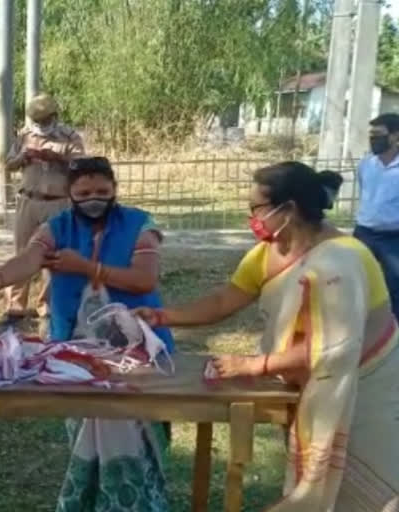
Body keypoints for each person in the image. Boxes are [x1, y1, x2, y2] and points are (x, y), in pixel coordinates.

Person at [137, 162, 399, 510]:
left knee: (365, 494)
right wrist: (163, 316)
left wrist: (253, 365)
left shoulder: (342, 262)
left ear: (288, 209)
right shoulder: (267, 252)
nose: (251, 217)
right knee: (314, 480)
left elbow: (332, 349)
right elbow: (224, 300)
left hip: (364, 385)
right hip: (303, 385)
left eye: (256, 208)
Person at [0, 157, 173, 511]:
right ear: (69, 193)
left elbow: (144, 279)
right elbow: (28, 260)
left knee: (131, 432)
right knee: (86, 432)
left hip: (135, 355)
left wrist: (87, 267)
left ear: (115, 190)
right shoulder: (57, 227)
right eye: (84, 191)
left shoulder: (139, 225)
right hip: (75, 355)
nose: (94, 198)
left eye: (103, 191)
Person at [4, 93, 85, 323]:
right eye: (36, 121)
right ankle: (15, 306)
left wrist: (59, 158)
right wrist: (23, 157)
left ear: (55, 116)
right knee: (22, 253)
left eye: (45, 120)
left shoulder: (70, 136)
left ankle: (47, 306)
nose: (41, 125)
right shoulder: (24, 135)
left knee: (52, 256)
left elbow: (82, 166)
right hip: (28, 201)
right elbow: (8, 165)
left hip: (57, 202)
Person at [354, 113, 399, 320]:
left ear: (394, 136)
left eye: (379, 134)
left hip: (393, 238)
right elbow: (365, 192)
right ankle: (359, 322)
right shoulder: (366, 165)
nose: (373, 139)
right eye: (371, 135)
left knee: (395, 284)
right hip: (364, 233)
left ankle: (393, 330)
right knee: (355, 280)